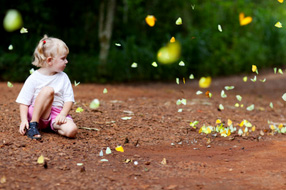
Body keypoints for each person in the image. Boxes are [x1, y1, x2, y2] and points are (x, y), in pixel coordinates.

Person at [16, 35, 77, 140]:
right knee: (48, 90)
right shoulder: (34, 77)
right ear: (50, 61)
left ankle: (53, 126)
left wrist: (62, 115)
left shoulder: (64, 77)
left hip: (55, 115)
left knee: (72, 130)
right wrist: (24, 120)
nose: (66, 61)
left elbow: (69, 99)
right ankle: (33, 125)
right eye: (63, 58)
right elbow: (24, 102)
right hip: (37, 113)